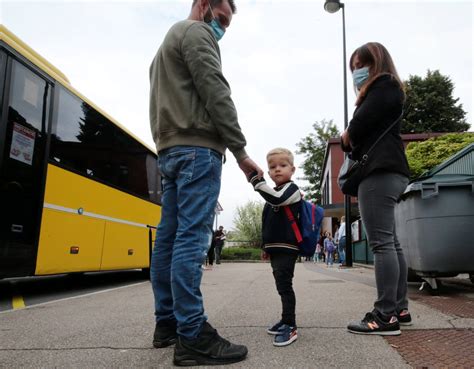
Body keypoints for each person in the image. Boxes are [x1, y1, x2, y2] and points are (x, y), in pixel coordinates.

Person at [149, 0, 263, 366]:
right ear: (203, 5)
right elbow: (215, 90)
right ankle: (194, 335)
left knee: (167, 240)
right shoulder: (197, 32)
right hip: (198, 150)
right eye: (222, 18)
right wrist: (241, 152)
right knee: (191, 239)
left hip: (169, 151)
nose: (223, 29)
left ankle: (167, 324)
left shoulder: (166, 43)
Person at [341, 42, 411, 336]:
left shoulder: (383, 85)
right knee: (391, 243)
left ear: (376, 62)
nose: (357, 71)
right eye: (353, 67)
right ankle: (399, 308)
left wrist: (347, 134)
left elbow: (359, 126)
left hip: (379, 170)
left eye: (360, 65)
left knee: (382, 244)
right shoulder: (392, 89)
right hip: (393, 169)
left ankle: (385, 315)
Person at [248, 148, 302, 347]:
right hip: (275, 247)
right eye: (272, 167)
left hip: (288, 246)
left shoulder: (292, 189)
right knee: (281, 285)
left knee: (285, 286)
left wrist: (256, 182)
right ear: (269, 172)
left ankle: (290, 324)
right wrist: (265, 246)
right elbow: (267, 222)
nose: (277, 170)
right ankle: (285, 319)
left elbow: (277, 199)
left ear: (292, 169)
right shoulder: (271, 194)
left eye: (282, 165)